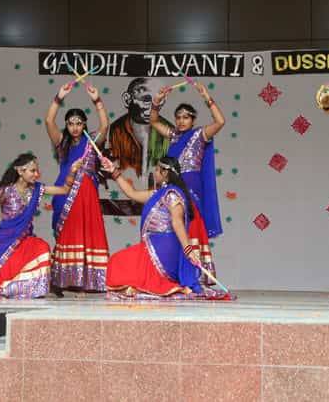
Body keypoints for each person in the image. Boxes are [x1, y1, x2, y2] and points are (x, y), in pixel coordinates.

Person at [0, 153, 81, 299]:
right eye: (32, 171)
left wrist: (72, 171)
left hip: (25, 239)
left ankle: (28, 289)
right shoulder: (5, 191)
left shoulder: (37, 189)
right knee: (5, 273)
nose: (36, 174)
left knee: (42, 247)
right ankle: (2, 287)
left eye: (37, 171)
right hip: (5, 242)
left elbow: (65, 190)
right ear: (20, 171)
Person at [102, 155, 223, 299]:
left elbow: (177, 223)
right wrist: (114, 171)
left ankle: (150, 284)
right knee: (117, 262)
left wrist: (188, 250)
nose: (154, 172)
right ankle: (138, 286)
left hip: (163, 251)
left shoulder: (172, 194)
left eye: (157, 170)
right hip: (154, 246)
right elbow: (132, 193)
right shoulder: (159, 193)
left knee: (116, 262)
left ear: (165, 173)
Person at [150, 81, 225, 278]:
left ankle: (195, 272)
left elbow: (220, 122)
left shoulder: (200, 135)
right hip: (174, 187)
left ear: (193, 120)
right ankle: (175, 271)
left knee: (191, 225)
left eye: (186, 117)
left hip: (192, 188)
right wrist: (157, 102)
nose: (181, 121)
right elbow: (154, 122)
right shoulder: (174, 135)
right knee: (174, 225)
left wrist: (206, 97)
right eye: (178, 117)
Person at [44, 81, 109, 294]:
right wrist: (59, 97)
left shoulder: (91, 142)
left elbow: (105, 126)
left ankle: (89, 280)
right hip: (65, 191)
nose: (75, 127)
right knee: (67, 233)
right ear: (66, 124)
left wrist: (97, 100)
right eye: (71, 123)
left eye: (79, 123)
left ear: (84, 124)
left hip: (87, 194)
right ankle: (63, 279)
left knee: (86, 232)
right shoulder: (61, 141)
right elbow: (48, 121)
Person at [108, 77, 173, 185]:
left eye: (158, 100)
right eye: (146, 100)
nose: (153, 106)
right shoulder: (117, 129)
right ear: (127, 99)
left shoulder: (168, 130)